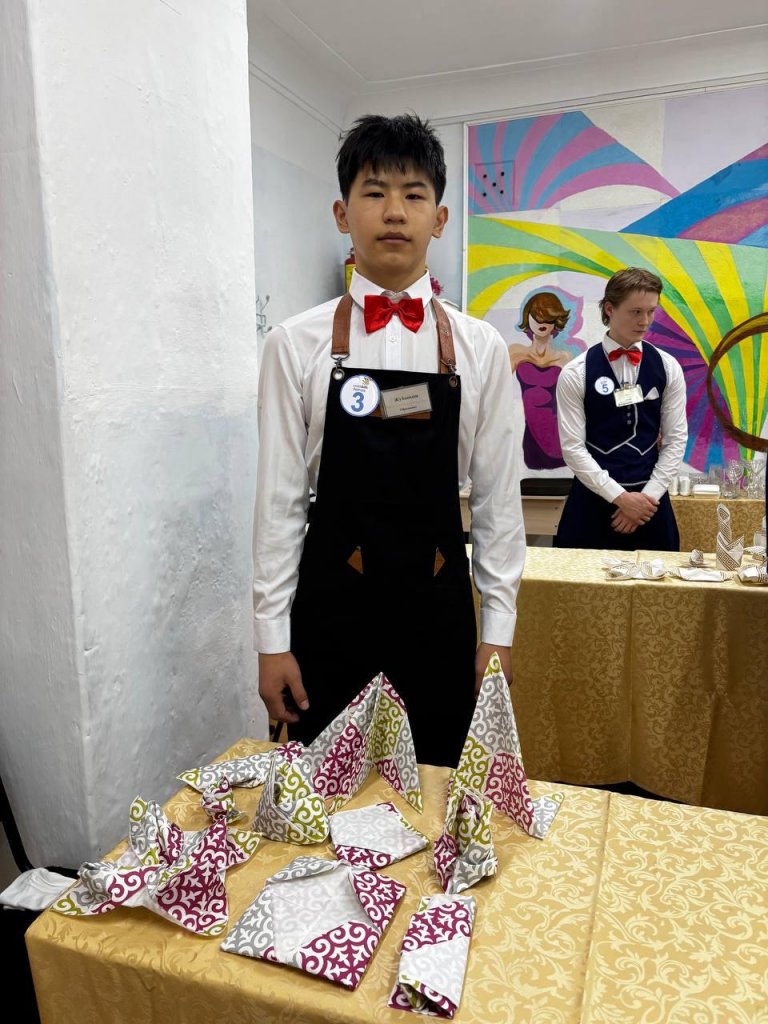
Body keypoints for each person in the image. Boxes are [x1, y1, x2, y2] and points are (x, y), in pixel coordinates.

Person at [252, 114, 525, 767]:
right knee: (323, 793)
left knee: (435, 791)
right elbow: (280, 505)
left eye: (414, 194)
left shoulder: (481, 348)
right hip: (330, 608)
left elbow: (497, 503)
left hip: (438, 609)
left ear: (441, 218)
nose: (394, 211)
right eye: (374, 192)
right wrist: (270, 639)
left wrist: (499, 630)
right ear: (342, 214)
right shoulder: (294, 344)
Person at [554, 267, 687, 550]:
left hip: (650, 503)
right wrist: (621, 498)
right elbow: (573, 448)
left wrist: (647, 499)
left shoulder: (668, 367)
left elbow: (676, 439)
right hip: (593, 501)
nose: (645, 321)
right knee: (581, 579)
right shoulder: (576, 373)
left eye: (651, 311)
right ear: (609, 309)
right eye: (636, 312)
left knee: (659, 579)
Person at [508, 291, 572, 470]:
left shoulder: (564, 358)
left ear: (556, 321)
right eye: (537, 316)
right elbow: (498, 390)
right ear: (527, 317)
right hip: (530, 435)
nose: (542, 322)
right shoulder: (516, 352)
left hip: (558, 433)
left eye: (548, 318)